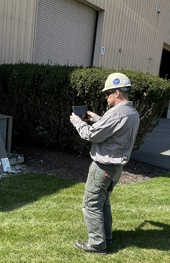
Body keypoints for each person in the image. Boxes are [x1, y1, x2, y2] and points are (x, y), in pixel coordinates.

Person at [69, 72, 140, 254]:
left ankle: (96, 244)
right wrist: (96, 118)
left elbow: (91, 135)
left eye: (108, 93)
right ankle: (106, 237)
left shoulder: (117, 113)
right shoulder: (132, 113)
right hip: (116, 169)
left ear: (117, 93)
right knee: (103, 202)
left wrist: (77, 122)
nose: (106, 97)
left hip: (103, 168)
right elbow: (113, 130)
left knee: (91, 204)